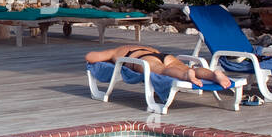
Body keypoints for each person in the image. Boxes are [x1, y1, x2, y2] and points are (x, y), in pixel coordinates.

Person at [86, 44, 232, 89]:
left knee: (163, 71)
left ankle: (185, 76)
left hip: (143, 59)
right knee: (189, 68)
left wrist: (111, 56)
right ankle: (214, 75)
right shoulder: (141, 45)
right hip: (163, 55)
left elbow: (90, 57)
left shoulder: (116, 51)